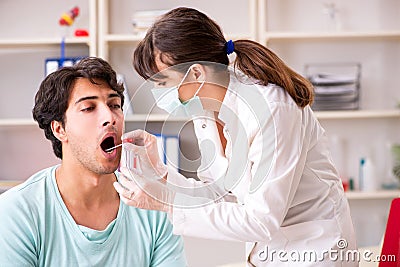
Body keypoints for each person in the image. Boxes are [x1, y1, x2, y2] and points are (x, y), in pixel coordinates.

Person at [113, 7, 358, 267]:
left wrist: (167, 203)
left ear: (196, 73)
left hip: (316, 251)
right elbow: (220, 192)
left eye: (162, 82)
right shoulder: (204, 110)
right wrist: (162, 175)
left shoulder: (272, 110)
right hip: (270, 253)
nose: (157, 92)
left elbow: (260, 220)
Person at [0, 57, 187, 267]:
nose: (110, 117)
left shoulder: (153, 206)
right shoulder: (17, 213)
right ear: (59, 129)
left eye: (114, 105)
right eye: (89, 108)